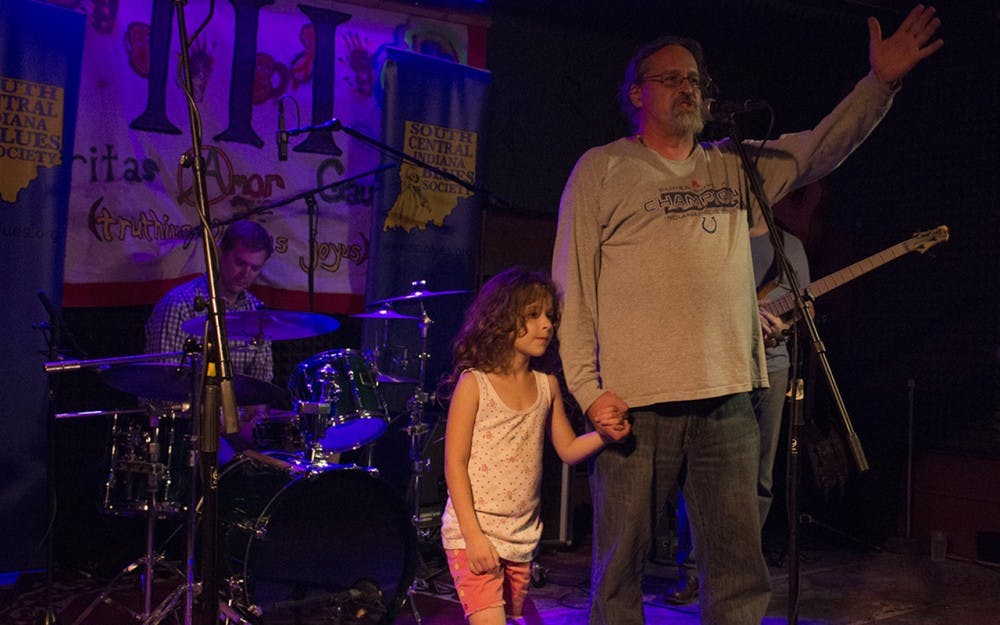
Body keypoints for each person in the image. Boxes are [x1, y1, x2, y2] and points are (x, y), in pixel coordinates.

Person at [551, 6, 942, 624]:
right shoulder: (603, 169)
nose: (689, 88)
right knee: (620, 572)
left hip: (730, 397)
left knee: (737, 572)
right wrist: (588, 391)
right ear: (636, 93)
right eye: (672, 78)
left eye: (696, 79)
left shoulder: (733, 164)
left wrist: (879, 85)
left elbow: (819, 148)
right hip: (635, 405)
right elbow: (572, 292)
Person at [439, 268, 630, 625]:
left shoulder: (547, 386)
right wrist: (473, 536)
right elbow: (454, 464)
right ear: (502, 319)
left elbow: (569, 449)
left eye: (549, 317)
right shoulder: (474, 383)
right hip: (475, 533)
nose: (546, 325)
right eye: (533, 315)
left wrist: (605, 435)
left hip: (522, 536)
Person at [665, 222, 811, 605]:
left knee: (760, 476)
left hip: (773, 366)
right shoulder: (714, 235)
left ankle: (736, 568)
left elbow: (803, 306)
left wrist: (783, 327)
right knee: (699, 474)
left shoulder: (788, 244)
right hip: (717, 367)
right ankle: (694, 570)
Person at [145, 219, 276, 458]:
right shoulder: (180, 304)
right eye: (240, 263)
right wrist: (215, 416)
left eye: (255, 268)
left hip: (237, 432)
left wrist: (256, 417)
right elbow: (161, 387)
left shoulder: (257, 311)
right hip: (186, 432)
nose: (246, 274)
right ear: (220, 254)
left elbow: (260, 388)